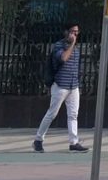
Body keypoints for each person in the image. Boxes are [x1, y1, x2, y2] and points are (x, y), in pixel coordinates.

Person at [34, 24, 87, 152]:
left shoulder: (76, 49)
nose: (75, 34)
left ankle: (74, 142)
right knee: (52, 113)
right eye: (72, 31)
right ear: (66, 32)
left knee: (73, 114)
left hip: (73, 86)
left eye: (77, 32)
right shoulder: (59, 46)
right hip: (60, 85)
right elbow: (63, 58)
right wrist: (72, 44)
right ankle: (38, 139)